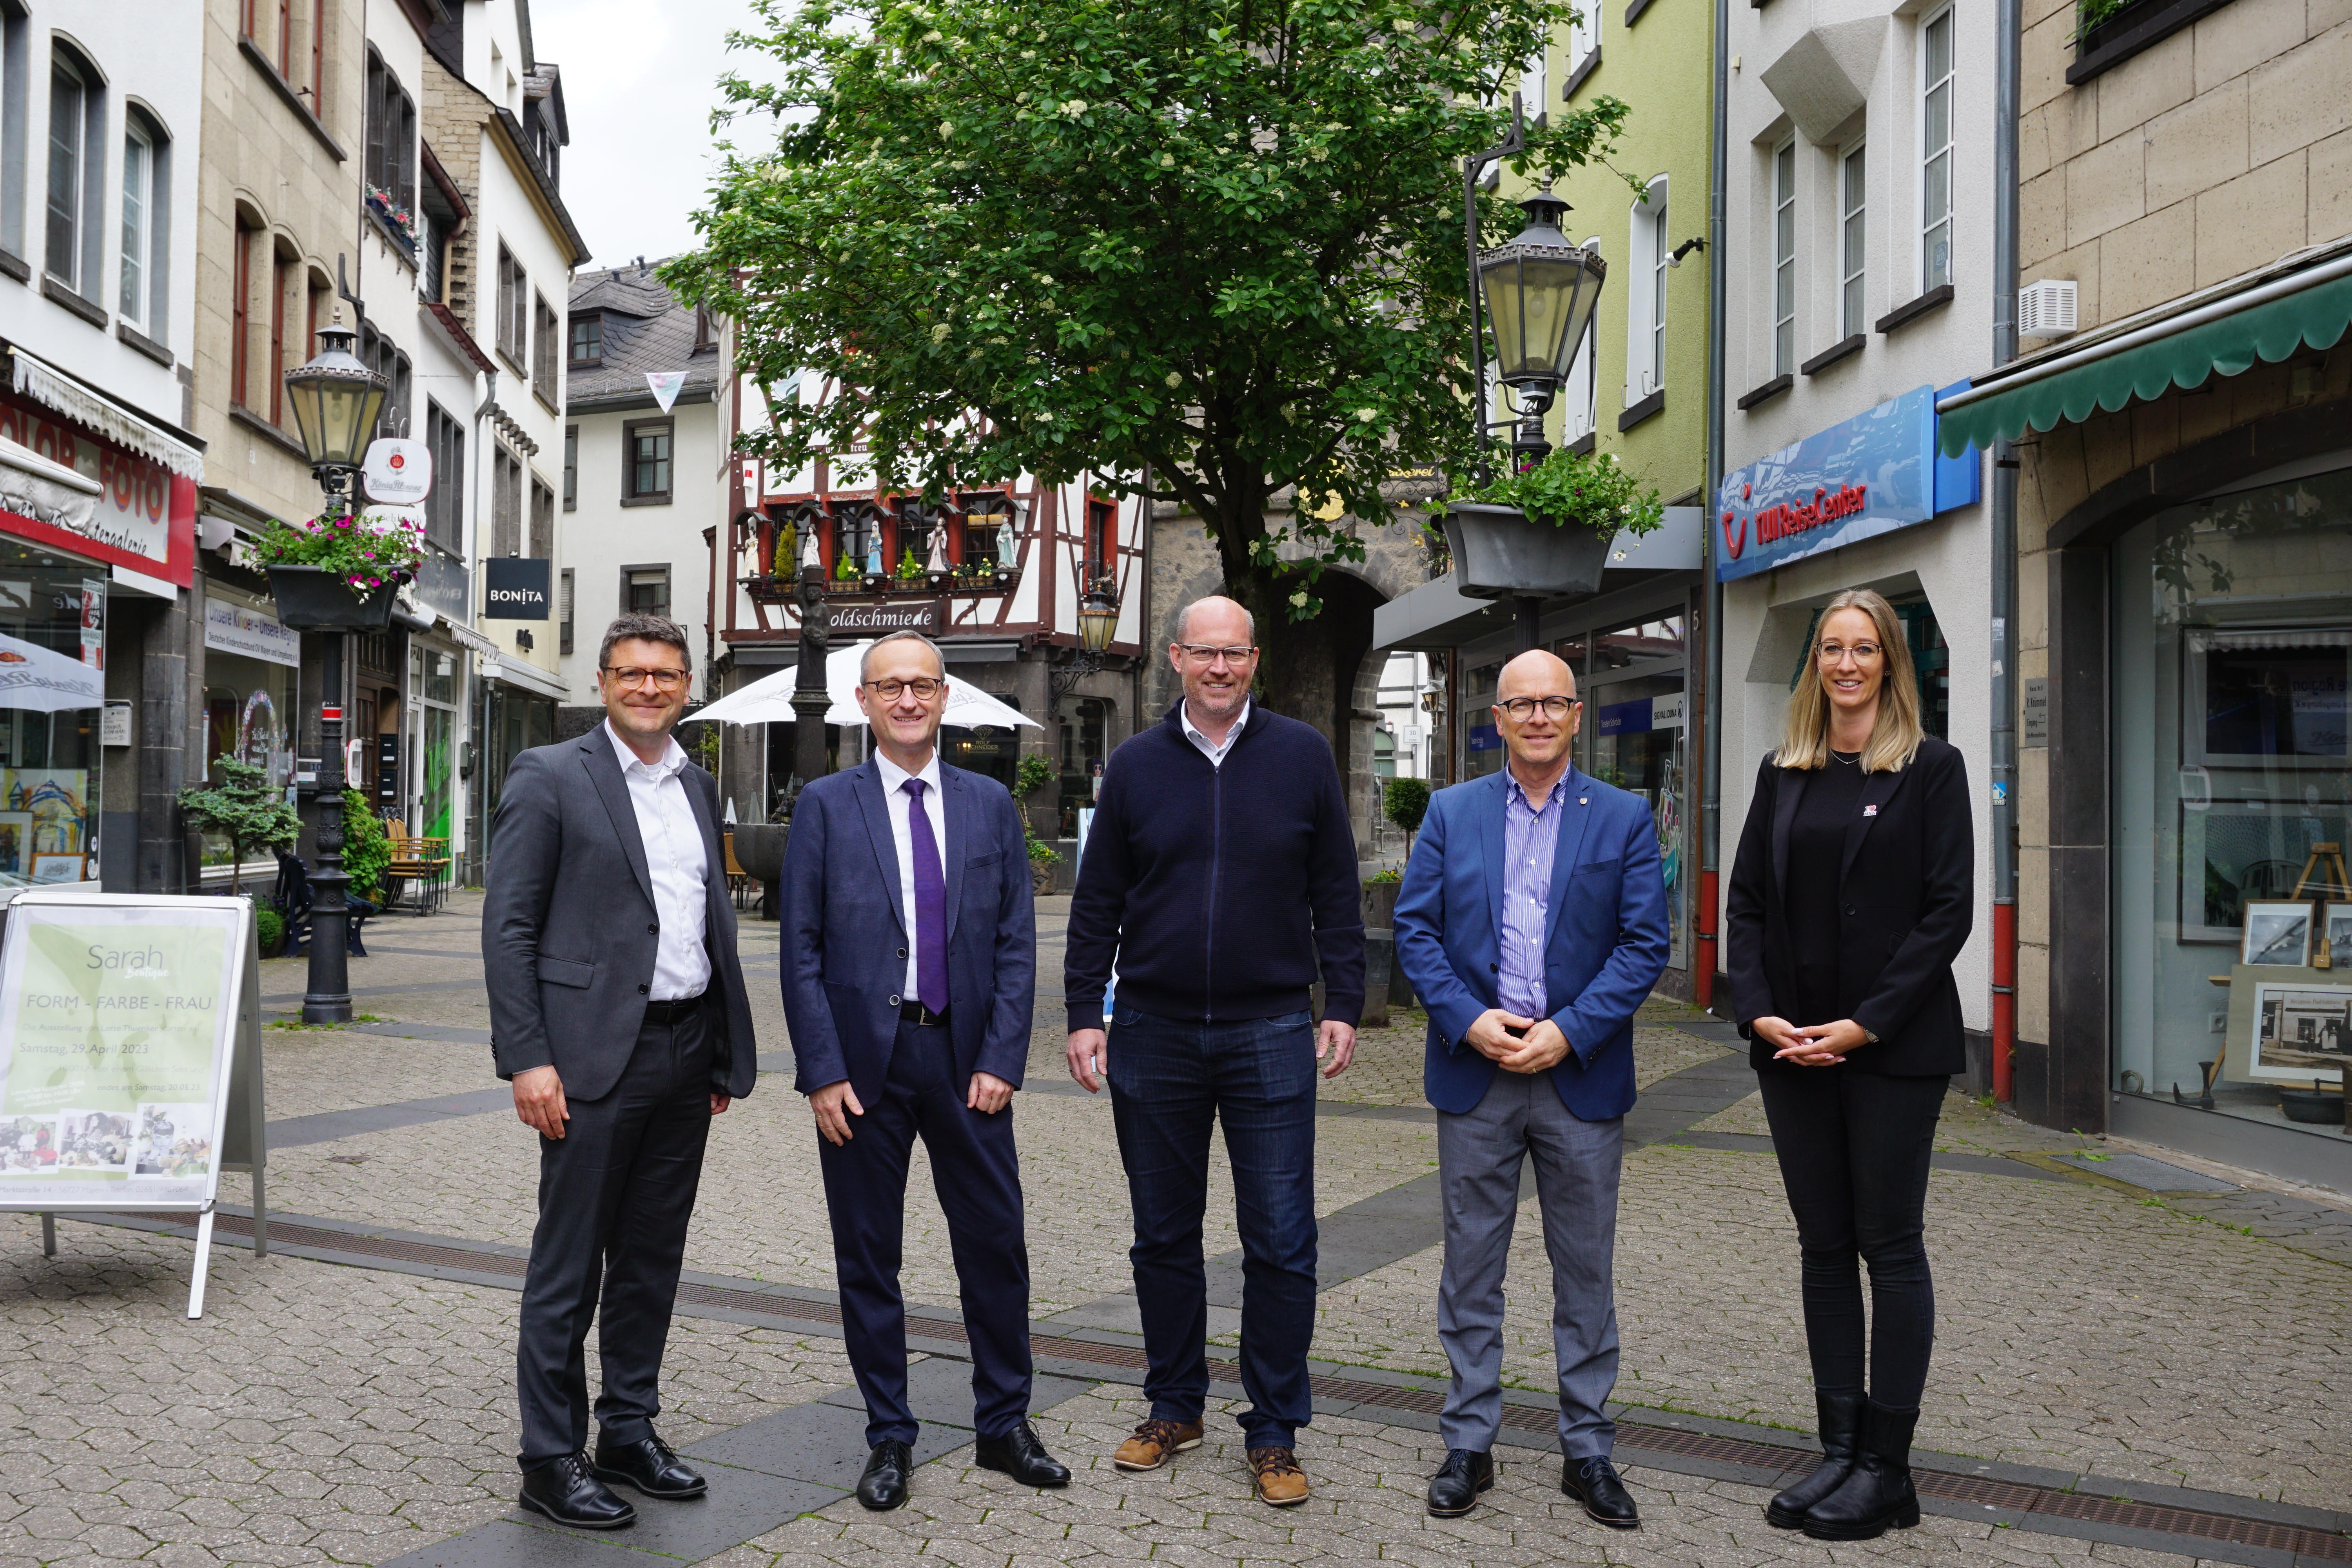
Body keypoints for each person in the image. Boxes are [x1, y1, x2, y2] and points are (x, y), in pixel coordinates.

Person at [1063, 595, 1365, 1508]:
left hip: (1271, 1027)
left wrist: (1343, 1000)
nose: (1222, 668)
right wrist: (1085, 1011)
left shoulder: (1303, 755)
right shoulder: (1136, 765)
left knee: (1280, 1238)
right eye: (1206, 653)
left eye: (1237, 653)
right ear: (1176, 658)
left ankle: (1274, 1428)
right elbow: (1098, 899)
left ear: (1254, 658)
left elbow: (1337, 888)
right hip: (1151, 1029)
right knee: (1163, 1235)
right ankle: (1174, 1403)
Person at [484, 612, 759, 1530]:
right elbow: (510, 926)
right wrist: (528, 1056)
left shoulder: (695, 781)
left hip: (685, 1054)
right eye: (633, 672)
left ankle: (627, 1428)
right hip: (590, 1057)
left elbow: (702, 922)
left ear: (688, 686)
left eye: (667, 674)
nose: (650, 687)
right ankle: (549, 1455)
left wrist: (720, 1045)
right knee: (569, 1263)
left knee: (650, 1260)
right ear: (603, 680)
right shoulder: (552, 775)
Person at [780, 630, 1067, 1511]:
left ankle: (1004, 1424)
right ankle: (890, 1435)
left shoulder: (987, 804)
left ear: (946, 698)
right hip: (864, 1067)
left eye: (923, 685)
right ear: (863, 702)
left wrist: (1003, 1057)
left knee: (996, 1245)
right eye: (889, 686)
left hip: (966, 1058)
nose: (908, 699)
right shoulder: (827, 805)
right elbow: (800, 949)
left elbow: (1017, 943)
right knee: (870, 1254)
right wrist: (822, 1071)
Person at [1391, 648, 1670, 1529]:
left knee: (1584, 1269)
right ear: (1499, 719)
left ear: (1578, 716)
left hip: (1578, 1073)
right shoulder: (1450, 810)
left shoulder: (1622, 816)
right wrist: (1470, 1019)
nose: (1540, 717)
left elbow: (1643, 943)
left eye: (1555, 703)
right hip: (1476, 1070)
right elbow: (1416, 929)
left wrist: (1569, 1029)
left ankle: (1588, 1448)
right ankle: (1469, 1440)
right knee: (1471, 1268)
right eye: (1523, 704)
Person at [1724, 586, 1973, 1543]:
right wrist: (1759, 1011)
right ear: (1815, 664)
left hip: (1889, 1050)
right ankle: (1837, 1445)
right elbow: (1746, 904)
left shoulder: (1930, 769)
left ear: (1890, 663)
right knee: (1822, 1246)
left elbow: (1945, 912)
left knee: (1890, 1243)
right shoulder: (1782, 771)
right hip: (1792, 1048)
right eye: (1831, 647)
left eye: (1864, 647)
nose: (1846, 663)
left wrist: (1864, 1024)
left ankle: (1887, 1469)